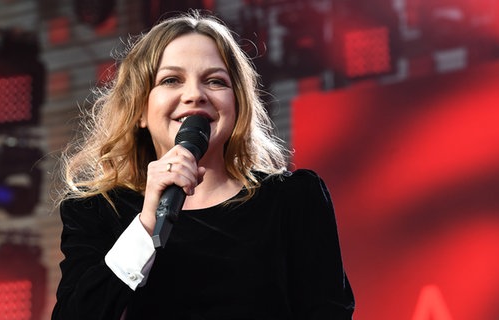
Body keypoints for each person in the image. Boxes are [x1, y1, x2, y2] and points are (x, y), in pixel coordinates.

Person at [52, 10, 354, 320]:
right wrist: (145, 225)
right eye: (171, 80)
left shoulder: (293, 199)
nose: (195, 95)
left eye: (215, 81)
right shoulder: (96, 211)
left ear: (236, 104)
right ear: (140, 109)